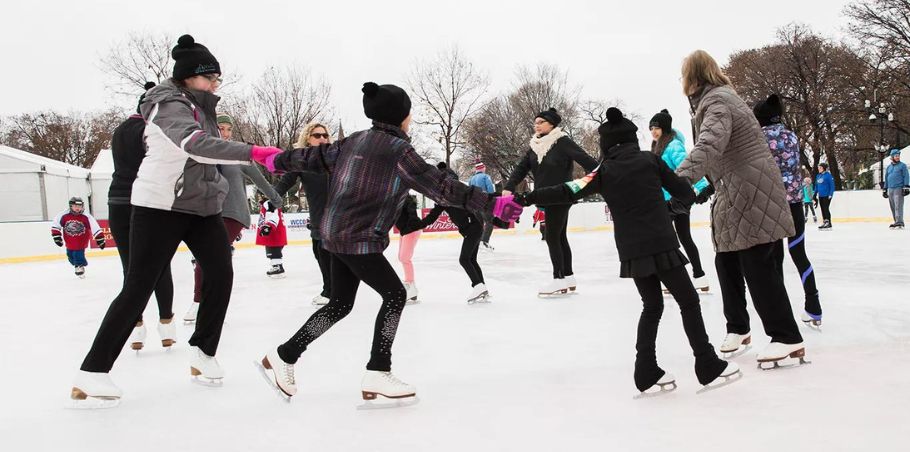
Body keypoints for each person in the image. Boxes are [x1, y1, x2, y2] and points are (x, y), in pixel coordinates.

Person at [252, 82, 523, 401]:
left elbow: (314, 156)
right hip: (358, 236)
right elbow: (442, 187)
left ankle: (284, 355)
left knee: (340, 304)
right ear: (402, 116)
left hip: (335, 232)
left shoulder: (356, 140)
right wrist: (491, 204)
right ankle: (378, 371)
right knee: (395, 295)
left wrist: (274, 159)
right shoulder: (399, 151)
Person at [70, 34, 286, 408]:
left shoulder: (203, 107)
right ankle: (92, 373)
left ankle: (202, 352)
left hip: (202, 207)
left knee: (221, 273)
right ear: (189, 76)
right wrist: (253, 152)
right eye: (211, 77)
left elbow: (209, 153)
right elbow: (195, 145)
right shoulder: (167, 104)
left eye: (219, 78)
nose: (217, 84)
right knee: (139, 285)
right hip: (160, 207)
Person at [514, 107, 738, 394]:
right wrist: (679, 200)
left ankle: (645, 370)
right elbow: (683, 192)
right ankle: (706, 363)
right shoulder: (650, 161)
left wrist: (527, 197)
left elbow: (566, 189)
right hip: (661, 242)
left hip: (632, 250)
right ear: (633, 139)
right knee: (688, 301)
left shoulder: (602, 172)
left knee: (652, 305)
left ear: (606, 145)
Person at [676, 50, 806, 367]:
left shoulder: (718, 101)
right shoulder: (715, 100)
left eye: (683, 75)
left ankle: (787, 337)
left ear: (692, 77)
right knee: (726, 261)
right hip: (733, 190)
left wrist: (676, 180)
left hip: (751, 190)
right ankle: (739, 328)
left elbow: (710, 144)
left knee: (759, 266)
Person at [183, 113, 282, 323]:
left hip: (233, 212)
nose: (226, 133)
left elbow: (259, 179)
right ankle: (212, 301)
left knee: (207, 255)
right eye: (221, 128)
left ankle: (199, 302)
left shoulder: (236, 153)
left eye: (229, 129)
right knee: (213, 259)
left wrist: (276, 198)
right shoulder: (201, 152)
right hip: (208, 211)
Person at [109, 82, 176, 351]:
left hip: (117, 201)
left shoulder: (120, 131)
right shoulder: (151, 131)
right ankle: (166, 323)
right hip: (144, 202)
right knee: (159, 265)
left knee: (130, 268)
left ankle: (136, 327)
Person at [503, 108, 598, 296]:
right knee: (559, 236)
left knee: (552, 236)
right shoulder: (535, 146)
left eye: (540, 122)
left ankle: (559, 279)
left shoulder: (562, 141)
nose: (536, 125)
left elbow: (585, 160)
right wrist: (509, 186)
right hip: (544, 196)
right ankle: (568, 277)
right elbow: (521, 168)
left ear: (551, 124)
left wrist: (599, 175)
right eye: (535, 122)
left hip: (561, 195)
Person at [753, 94, 823, 327]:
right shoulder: (791, 135)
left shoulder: (759, 137)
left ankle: (781, 313)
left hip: (771, 204)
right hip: (793, 203)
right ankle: (813, 305)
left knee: (774, 258)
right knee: (798, 253)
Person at [648, 108, 710, 292]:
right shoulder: (657, 146)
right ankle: (699, 277)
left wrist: (702, 187)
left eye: (656, 128)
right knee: (680, 239)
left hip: (674, 200)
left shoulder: (673, 146)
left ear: (665, 128)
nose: (653, 131)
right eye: (651, 128)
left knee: (674, 240)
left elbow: (688, 166)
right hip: (666, 199)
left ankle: (688, 278)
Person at [273, 122, 333, 305]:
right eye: (317, 135)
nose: (322, 138)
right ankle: (330, 290)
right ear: (308, 138)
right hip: (318, 218)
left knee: (337, 256)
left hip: (340, 217)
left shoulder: (336, 158)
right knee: (320, 254)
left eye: (324, 135)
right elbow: (284, 183)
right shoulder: (301, 163)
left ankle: (332, 292)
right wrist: (271, 199)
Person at [420, 162, 496, 304]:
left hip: (472, 228)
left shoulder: (446, 195)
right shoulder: (456, 190)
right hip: (476, 225)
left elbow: (433, 216)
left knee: (464, 259)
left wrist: (418, 224)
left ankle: (478, 286)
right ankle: (482, 288)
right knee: (471, 259)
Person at [51, 197, 104, 278]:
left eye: (79, 206)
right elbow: (56, 225)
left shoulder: (86, 216)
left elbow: (95, 227)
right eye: (75, 206)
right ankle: (79, 264)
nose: (77, 208)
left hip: (81, 241)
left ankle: (79, 266)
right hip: (69, 241)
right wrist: (57, 237)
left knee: (77, 254)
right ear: (71, 206)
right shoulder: (64, 215)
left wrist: (100, 239)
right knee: (70, 256)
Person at [394, 194, 426, 304]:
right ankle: (412, 287)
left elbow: (412, 212)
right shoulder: (394, 198)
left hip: (411, 230)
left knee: (404, 258)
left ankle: (410, 285)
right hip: (405, 230)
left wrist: (411, 226)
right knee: (401, 257)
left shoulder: (406, 199)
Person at [256, 195, 288, 277]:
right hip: (275, 233)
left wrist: (268, 226)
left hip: (273, 234)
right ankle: (277, 267)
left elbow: (273, 216)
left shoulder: (269, 203)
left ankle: (278, 268)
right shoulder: (270, 203)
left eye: (260, 195)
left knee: (273, 251)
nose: (259, 197)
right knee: (273, 251)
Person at [469, 161, 496, 250]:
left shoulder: (471, 179)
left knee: (479, 224)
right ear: (482, 168)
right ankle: (484, 242)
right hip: (485, 203)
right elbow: (491, 190)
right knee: (489, 222)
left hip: (475, 205)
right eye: (484, 167)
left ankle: (477, 243)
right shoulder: (486, 177)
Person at [884, 148, 909, 229]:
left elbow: (906, 176)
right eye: (896, 156)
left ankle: (900, 222)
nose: (898, 157)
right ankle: (896, 221)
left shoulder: (902, 166)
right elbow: (886, 178)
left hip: (899, 188)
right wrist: (885, 188)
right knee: (893, 206)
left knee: (898, 205)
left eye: (898, 156)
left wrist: (906, 186)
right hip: (890, 189)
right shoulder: (888, 167)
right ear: (892, 157)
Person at [815, 163, 835, 230]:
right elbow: (816, 186)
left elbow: (832, 186)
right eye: (818, 168)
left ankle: (829, 223)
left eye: (820, 167)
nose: (819, 169)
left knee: (826, 208)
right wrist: (814, 194)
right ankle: (825, 221)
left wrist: (830, 194)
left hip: (827, 195)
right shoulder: (818, 176)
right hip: (820, 195)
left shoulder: (828, 175)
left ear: (824, 168)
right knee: (822, 209)